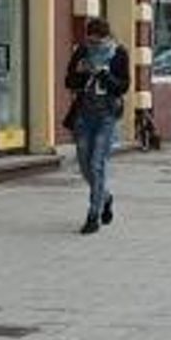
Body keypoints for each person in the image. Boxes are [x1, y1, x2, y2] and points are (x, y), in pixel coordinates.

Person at [64, 18, 130, 235]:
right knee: (84, 165)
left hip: (107, 116)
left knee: (97, 164)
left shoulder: (119, 53)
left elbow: (123, 86)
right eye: (89, 41)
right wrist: (81, 72)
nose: (92, 45)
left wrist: (104, 74)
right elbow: (69, 81)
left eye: (96, 41)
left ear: (106, 37)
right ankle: (106, 196)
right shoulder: (82, 51)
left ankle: (93, 215)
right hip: (84, 116)